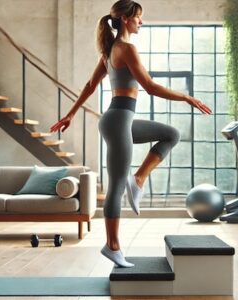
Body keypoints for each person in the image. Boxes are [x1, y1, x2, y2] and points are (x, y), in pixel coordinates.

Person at [50, 0, 211, 268]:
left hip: (120, 119)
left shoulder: (110, 50)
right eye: (139, 17)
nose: (141, 22)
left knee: (171, 134)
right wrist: (186, 97)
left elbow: (91, 85)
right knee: (114, 189)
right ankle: (112, 246)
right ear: (125, 19)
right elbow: (149, 86)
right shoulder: (126, 49)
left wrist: (71, 113)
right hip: (117, 121)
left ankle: (137, 178)